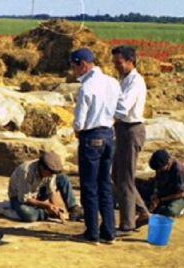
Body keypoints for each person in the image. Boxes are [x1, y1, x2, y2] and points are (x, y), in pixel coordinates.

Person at [71, 48, 121, 244]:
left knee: (90, 186)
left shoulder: (87, 87)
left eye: (74, 66)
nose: (73, 71)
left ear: (83, 64)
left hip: (91, 137)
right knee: (105, 184)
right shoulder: (113, 82)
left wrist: (77, 130)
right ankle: (109, 232)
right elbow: (120, 109)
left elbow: (80, 121)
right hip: (109, 134)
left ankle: (92, 232)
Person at [112, 45, 150, 236]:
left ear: (130, 61)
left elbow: (123, 108)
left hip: (131, 129)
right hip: (122, 129)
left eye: (119, 63)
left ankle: (127, 225)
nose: (116, 66)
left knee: (125, 178)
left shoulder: (135, 82)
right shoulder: (124, 80)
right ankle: (142, 211)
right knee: (117, 175)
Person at [8, 151, 84, 223]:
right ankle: (45, 213)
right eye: (50, 172)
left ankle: (74, 208)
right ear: (42, 167)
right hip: (20, 198)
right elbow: (25, 198)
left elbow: (51, 191)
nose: (52, 175)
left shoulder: (50, 172)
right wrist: (47, 206)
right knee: (28, 214)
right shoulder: (25, 172)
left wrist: (55, 208)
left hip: (38, 192)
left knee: (63, 178)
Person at [148, 149, 184, 217]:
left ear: (168, 163)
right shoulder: (160, 166)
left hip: (178, 197)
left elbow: (181, 193)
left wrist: (160, 200)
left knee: (169, 212)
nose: (158, 171)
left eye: (160, 169)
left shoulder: (179, 170)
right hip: (165, 192)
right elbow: (157, 181)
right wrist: (155, 195)